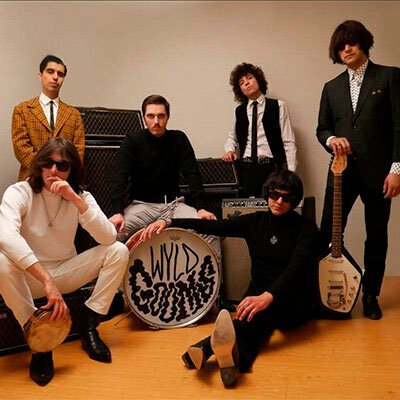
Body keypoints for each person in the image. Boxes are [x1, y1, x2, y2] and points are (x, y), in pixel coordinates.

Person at [140, 170, 319, 387]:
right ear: (267, 194)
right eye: (274, 195)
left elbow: (297, 270)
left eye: (286, 197)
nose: (279, 201)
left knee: (253, 318)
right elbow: (214, 226)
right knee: (254, 325)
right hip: (258, 294)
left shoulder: (306, 229)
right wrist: (169, 221)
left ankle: (205, 347)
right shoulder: (255, 221)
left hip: (292, 298)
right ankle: (231, 363)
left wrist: (267, 297)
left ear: (294, 200)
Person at [0, 138, 129, 386]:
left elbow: (108, 237)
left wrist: (77, 201)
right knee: (1, 260)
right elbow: (6, 236)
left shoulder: (80, 196)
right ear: (39, 165)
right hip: (30, 278)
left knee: (118, 251)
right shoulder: (20, 192)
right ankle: (40, 341)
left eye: (63, 166)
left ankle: (89, 325)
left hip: (65, 272)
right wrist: (46, 280)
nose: (54, 171)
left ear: (72, 171)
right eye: (48, 163)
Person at [316, 20, 400, 320]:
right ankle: (323, 293)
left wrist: (397, 169)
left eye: (351, 42)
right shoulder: (331, 87)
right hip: (341, 173)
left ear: (363, 43)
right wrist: (331, 140)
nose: (347, 49)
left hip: (380, 174)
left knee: (376, 235)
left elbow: (399, 127)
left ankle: (370, 295)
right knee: (327, 232)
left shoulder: (389, 76)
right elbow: (322, 129)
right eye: (341, 46)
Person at [109, 94, 219, 252]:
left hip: (174, 205)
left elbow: (192, 174)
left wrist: (201, 208)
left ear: (168, 117)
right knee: (109, 233)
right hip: (142, 206)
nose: (156, 121)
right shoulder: (133, 140)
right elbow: (119, 176)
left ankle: (213, 270)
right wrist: (117, 212)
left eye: (161, 116)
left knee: (211, 230)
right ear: (144, 117)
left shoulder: (179, 138)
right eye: (151, 116)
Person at [222, 62, 297, 197]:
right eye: (241, 82)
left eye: (249, 78)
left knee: (273, 205)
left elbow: (289, 141)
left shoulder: (279, 106)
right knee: (249, 207)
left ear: (258, 80)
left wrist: (290, 174)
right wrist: (229, 150)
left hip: (271, 168)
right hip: (246, 169)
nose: (246, 83)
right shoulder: (239, 111)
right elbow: (232, 137)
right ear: (240, 90)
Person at [12, 54, 85, 181]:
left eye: (60, 74)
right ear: (40, 75)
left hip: (63, 181)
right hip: (31, 179)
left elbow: (78, 151)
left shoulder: (74, 115)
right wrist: (44, 169)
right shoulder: (22, 110)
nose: (55, 77)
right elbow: (21, 148)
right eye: (50, 72)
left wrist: (61, 171)